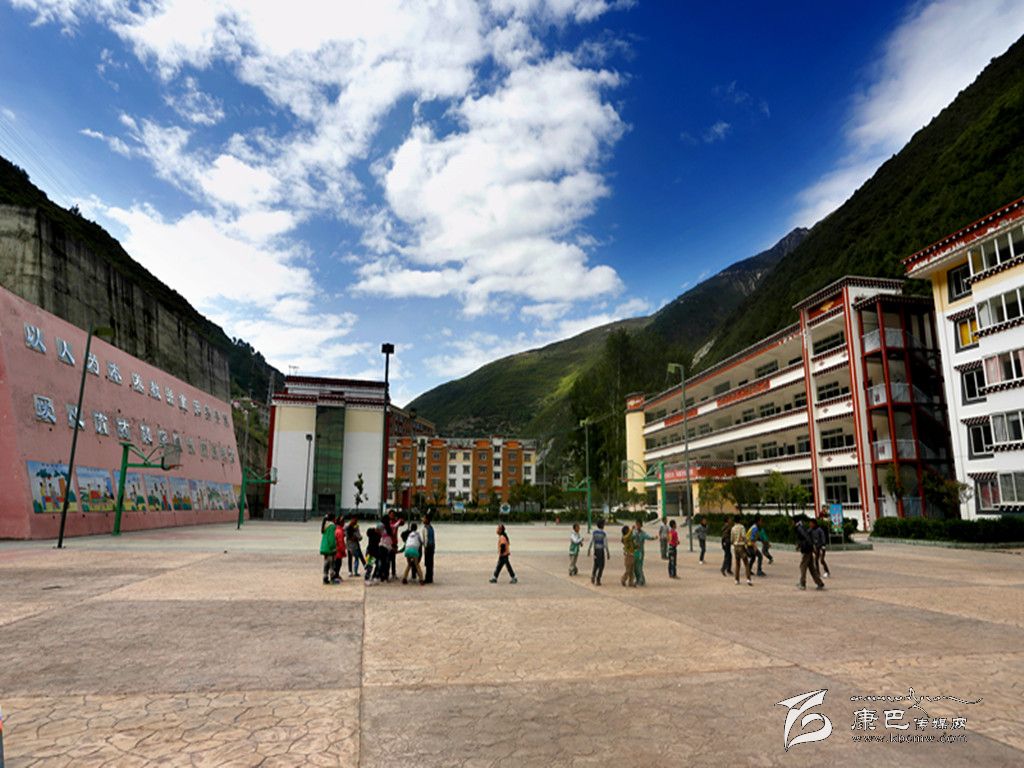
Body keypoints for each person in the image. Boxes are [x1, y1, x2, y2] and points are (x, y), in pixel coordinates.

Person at [796, 518, 825, 590]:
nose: (810, 524)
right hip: (809, 549)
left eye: (811, 523)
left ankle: (802, 583)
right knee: (811, 568)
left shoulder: (801, 528)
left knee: (803, 566)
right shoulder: (807, 529)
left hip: (808, 550)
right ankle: (819, 583)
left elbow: (807, 539)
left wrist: (819, 546)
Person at [632, 519, 655, 586]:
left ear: (641, 525)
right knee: (635, 567)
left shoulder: (643, 533)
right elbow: (630, 537)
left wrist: (653, 538)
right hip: (635, 551)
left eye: (639, 525)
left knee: (639, 567)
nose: (637, 526)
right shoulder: (634, 532)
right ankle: (638, 579)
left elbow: (648, 537)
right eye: (637, 524)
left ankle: (641, 580)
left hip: (640, 552)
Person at [588, 519, 609, 585]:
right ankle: (598, 579)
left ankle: (593, 575)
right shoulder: (603, 534)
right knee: (601, 565)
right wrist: (608, 552)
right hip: (601, 551)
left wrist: (589, 549)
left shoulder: (594, 532)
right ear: (602, 525)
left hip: (595, 550)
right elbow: (605, 544)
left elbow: (591, 541)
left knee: (596, 564)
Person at [731, 517, 752, 586]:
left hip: (735, 546)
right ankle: (748, 579)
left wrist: (733, 543)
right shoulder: (742, 527)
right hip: (741, 546)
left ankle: (736, 580)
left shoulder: (733, 528)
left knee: (737, 563)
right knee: (746, 563)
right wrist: (747, 542)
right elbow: (743, 536)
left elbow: (732, 538)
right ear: (740, 520)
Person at [386, 509, 405, 579]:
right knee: (387, 559)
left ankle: (393, 573)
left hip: (394, 542)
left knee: (393, 559)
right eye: (391, 514)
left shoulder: (396, 521)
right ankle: (387, 573)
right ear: (388, 515)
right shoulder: (387, 522)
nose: (392, 516)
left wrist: (400, 519)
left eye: (393, 515)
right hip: (387, 543)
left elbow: (402, 522)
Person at [319, 513, 337, 585]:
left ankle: (325, 578)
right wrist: (333, 547)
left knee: (326, 563)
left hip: (324, 547)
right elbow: (331, 538)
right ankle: (332, 578)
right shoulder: (332, 526)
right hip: (330, 548)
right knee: (332, 563)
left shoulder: (325, 525)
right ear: (333, 519)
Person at [331, 516, 347, 583]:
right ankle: (335, 576)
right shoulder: (339, 531)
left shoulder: (336, 530)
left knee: (336, 564)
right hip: (338, 551)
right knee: (338, 564)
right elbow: (340, 542)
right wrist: (343, 550)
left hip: (335, 550)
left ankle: (336, 575)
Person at [421, 514, 436, 584]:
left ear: (427, 520)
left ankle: (428, 578)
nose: (423, 519)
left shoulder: (425, 528)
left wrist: (425, 547)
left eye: (424, 518)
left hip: (428, 547)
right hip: (432, 546)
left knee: (427, 563)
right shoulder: (431, 527)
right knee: (430, 563)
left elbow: (426, 538)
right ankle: (430, 577)